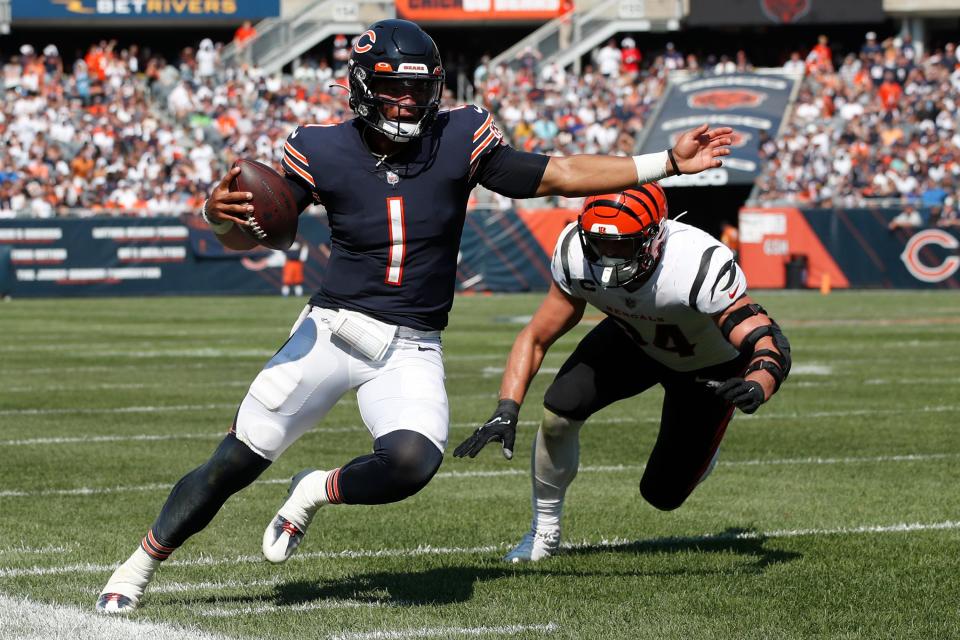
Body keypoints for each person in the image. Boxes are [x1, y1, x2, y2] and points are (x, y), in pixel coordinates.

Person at [95, 19, 732, 614]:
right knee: (234, 461)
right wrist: (218, 215)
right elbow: (254, 231)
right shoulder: (316, 146)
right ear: (362, 88)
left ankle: (316, 489)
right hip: (332, 331)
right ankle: (135, 569)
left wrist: (669, 164)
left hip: (411, 344)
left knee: (412, 463)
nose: (407, 102)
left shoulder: (460, 135)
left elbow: (558, 173)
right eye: (395, 89)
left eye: (420, 89)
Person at [454, 185, 791, 562]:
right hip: (632, 339)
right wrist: (507, 407)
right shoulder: (574, 253)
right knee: (559, 412)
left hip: (707, 366)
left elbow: (766, 341)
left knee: (662, 494)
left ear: (655, 237)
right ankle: (542, 531)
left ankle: (703, 452)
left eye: (623, 245)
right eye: (599, 243)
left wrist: (758, 384)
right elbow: (535, 337)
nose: (608, 257)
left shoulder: (695, 262)